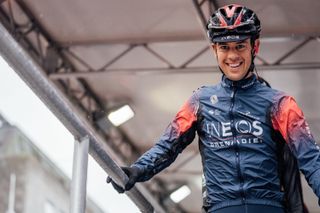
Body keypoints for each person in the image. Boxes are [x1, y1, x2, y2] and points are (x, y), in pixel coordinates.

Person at [107, 4, 320, 213]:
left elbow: (311, 159)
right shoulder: (199, 101)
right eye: (224, 47)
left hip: (267, 207)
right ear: (214, 50)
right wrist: (136, 170)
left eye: (240, 46)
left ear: (255, 47)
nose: (232, 56)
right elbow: (167, 146)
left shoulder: (280, 103)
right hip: (220, 207)